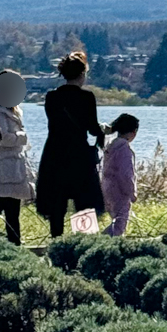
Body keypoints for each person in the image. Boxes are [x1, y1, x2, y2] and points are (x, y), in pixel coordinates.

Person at [35, 49, 106, 239]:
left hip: (55, 153)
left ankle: (56, 241)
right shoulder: (87, 97)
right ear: (82, 74)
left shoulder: (51, 97)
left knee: (56, 203)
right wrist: (102, 133)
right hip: (78, 154)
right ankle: (82, 244)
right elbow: (91, 127)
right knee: (84, 203)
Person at [0, 71, 35, 243]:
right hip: (1, 165)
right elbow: (1, 137)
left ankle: (14, 245)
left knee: (13, 213)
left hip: (14, 168)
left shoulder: (13, 110)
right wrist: (21, 137)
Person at [102, 114, 140, 235]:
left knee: (116, 222)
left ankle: (102, 242)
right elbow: (125, 174)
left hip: (107, 188)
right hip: (119, 191)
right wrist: (132, 193)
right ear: (133, 132)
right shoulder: (124, 149)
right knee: (120, 224)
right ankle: (105, 245)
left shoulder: (111, 146)